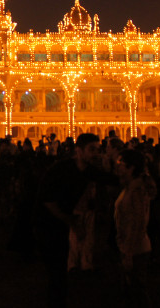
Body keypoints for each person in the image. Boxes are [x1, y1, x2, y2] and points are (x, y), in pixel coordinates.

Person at [35, 132, 115, 308]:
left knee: (60, 272)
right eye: (92, 149)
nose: (96, 153)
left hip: (62, 221)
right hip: (47, 223)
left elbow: (112, 180)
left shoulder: (88, 170)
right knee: (56, 271)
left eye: (98, 149)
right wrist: (69, 220)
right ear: (78, 151)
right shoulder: (60, 169)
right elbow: (46, 199)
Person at [114, 148, 156, 308]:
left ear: (131, 168)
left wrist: (128, 252)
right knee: (132, 291)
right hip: (130, 246)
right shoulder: (131, 186)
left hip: (136, 248)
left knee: (137, 292)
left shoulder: (136, 190)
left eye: (120, 163)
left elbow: (137, 222)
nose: (117, 166)